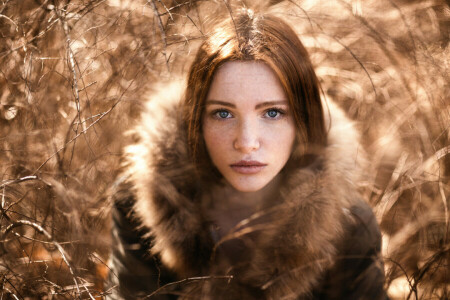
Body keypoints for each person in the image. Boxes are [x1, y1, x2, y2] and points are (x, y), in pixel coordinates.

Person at [106, 9, 389, 300]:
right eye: (223, 113)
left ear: (302, 122)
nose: (247, 142)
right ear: (195, 123)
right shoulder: (141, 202)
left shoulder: (350, 223)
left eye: (273, 112)